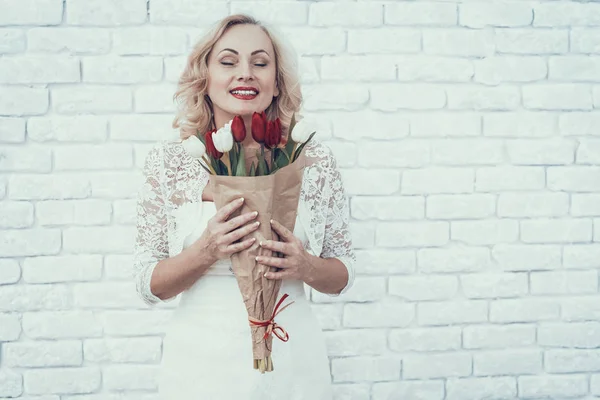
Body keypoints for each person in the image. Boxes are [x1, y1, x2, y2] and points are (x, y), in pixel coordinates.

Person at [132, 13, 356, 400]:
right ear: (205, 76)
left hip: (294, 361)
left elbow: (343, 274)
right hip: (200, 364)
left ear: (276, 80)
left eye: (260, 62)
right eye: (229, 61)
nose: (246, 73)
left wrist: (305, 266)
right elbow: (148, 285)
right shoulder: (170, 162)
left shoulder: (313, 160)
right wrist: (206, 251)